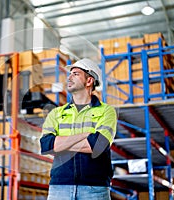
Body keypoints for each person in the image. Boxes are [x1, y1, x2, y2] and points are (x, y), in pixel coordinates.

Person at [40, 58, 117, 200]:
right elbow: (46, 146)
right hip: (59, 189)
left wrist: (61, 145)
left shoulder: (107, 111)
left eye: (75, 74)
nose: (69, 77)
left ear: (89, 81)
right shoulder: (56, 113)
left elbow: (99, 145)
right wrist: (85, 135)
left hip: (94, 189)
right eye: (70, 74)